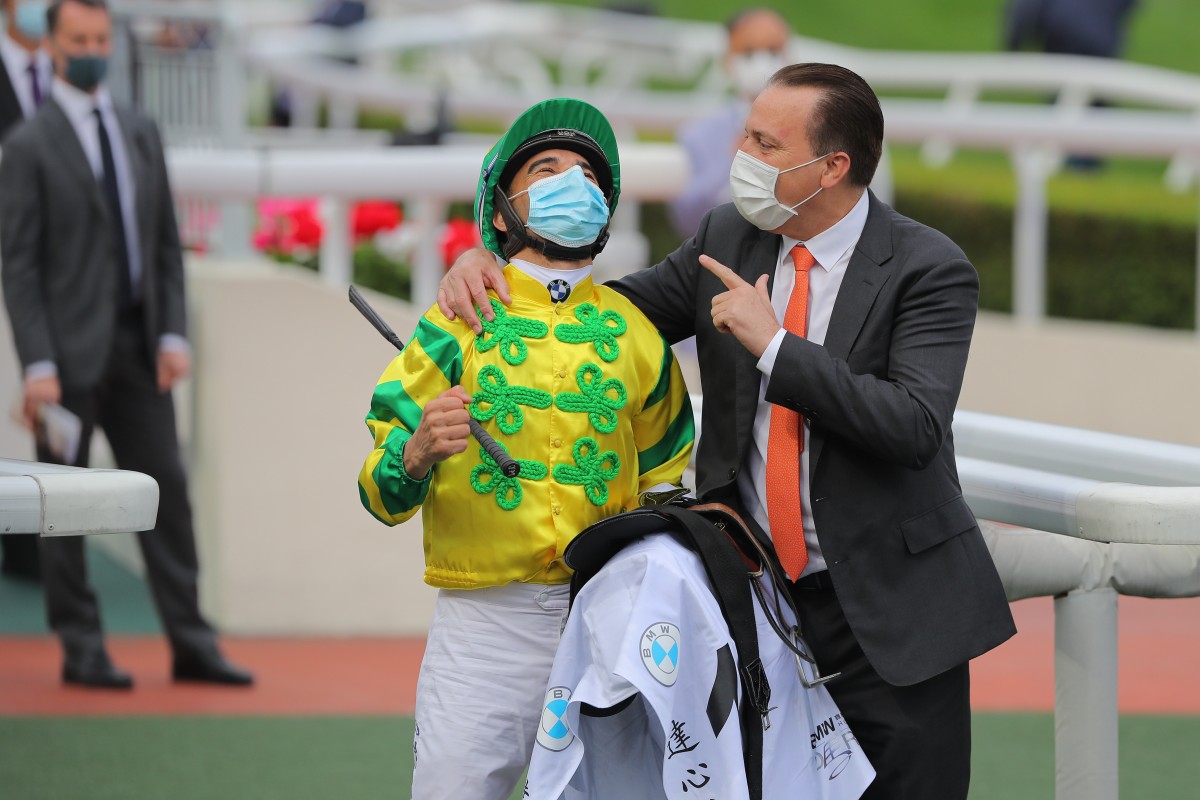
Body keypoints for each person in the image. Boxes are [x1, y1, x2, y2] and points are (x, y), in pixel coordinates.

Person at [438, 63, 1016, 799]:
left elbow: (913, 425)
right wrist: (494, 264)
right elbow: (602, 321)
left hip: (889, 616)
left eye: (765, 143)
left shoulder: (929, 267)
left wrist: (774, 348)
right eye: (747, 130)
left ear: (832, 167)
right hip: (756, 600)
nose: (740, 153)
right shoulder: (730, 234)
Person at [357, 97, 694, 800]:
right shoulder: (454, 320)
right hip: (484, 624)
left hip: (609, 617)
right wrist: (416, 452)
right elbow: (377, 494)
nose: (573, 184)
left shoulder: (637, 335)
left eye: (588, 177)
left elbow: (670, 485)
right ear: (502, 205)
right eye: (546, 169)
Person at [0, 0, 253, 690]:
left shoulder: (139, 130)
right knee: (64, 513)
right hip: (65, 358)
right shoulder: (26, 145)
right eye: (77, 39)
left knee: (166, 490)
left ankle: (191, 643)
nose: (90, 49)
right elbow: (17, 265)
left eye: (98, 37)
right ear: (51, 46)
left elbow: (166, 246)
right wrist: (38, 366)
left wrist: (172, 333)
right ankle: (82, 647)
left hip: (140, 349)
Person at [0, 0, 53, 581]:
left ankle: (35, 554)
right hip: (8, 259)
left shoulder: (73, 67)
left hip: (62, 273)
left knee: (45, 403)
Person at [668, 7, 791, 240]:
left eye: (774, 50)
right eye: (748, 52)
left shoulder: (818, 125)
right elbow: (686, 219)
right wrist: (732, 161)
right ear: (727, 61)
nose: (762, 62)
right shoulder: (700, 135)